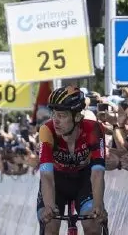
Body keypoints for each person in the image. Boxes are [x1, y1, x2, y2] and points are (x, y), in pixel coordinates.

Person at [36, 86, 106, 235]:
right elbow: (46, 176)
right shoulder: (46, 131)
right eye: (53, 114)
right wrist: (49, 207)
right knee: (50, 227)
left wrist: (98, 205)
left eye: (61, 115)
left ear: (77, 117)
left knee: (93, 226)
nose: (55, 120)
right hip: (56, 183)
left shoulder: (94, 129)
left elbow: (98, 173)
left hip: (84, 182)